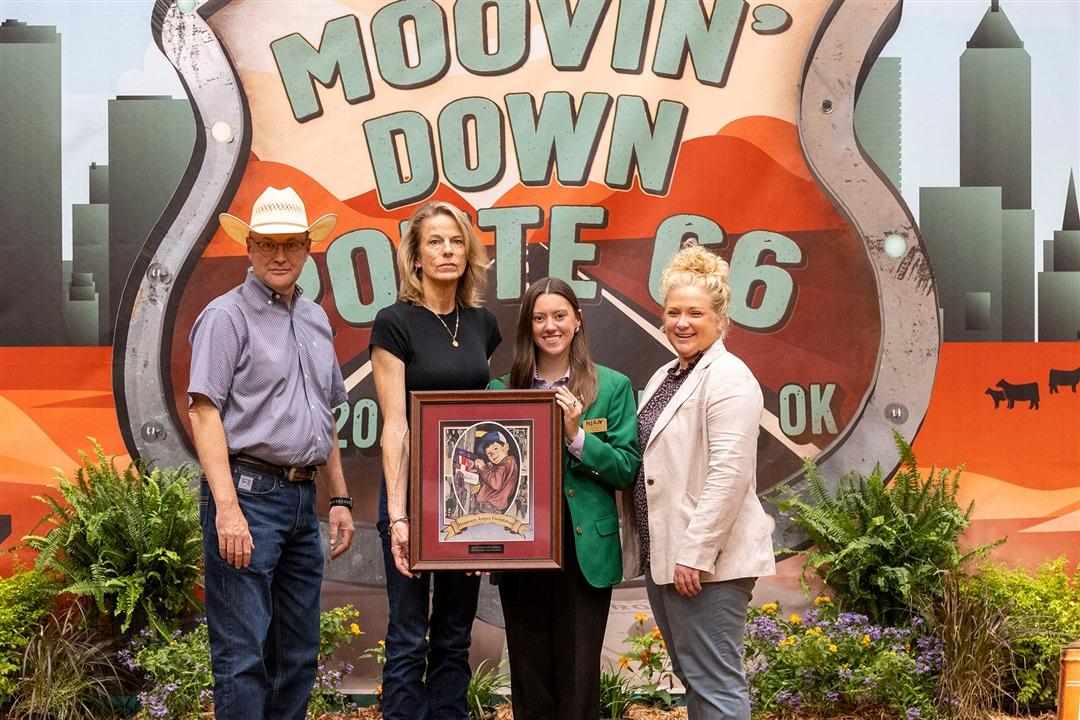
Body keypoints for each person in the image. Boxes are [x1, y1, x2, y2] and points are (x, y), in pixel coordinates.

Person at [187, 186, 356, 720]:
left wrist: (342, 498)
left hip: (305, 499)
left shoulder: (313, 319)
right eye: (266, 245)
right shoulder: (225, 316)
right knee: (242, 656)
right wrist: (228, 509)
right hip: (248, 496)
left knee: (298, 655)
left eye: (290, 244)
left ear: (308, 247)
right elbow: (203, 412)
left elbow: (323, 417)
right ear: (250, 249)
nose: (279, 255)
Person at [621, 244, 776, 720]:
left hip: (706, 565)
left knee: (714, 681)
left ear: (720, 319)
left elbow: (729, 474)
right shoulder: (666, 375)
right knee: (696, 678)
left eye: (695, 313)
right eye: (673, 312)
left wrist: (696, 552)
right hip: (666, 557)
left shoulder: (729, 377)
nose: (682, 322)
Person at [370, 201, 501, 720]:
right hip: (409, 496)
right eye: (434, 242)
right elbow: (396, 425)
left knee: (453, 631)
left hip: (466, 500)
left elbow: (482, 420)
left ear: (469, 252)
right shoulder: (394, 322)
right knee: (407, 634)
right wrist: (398, 517)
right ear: (415, 257)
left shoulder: (483, 324)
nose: (447, 250)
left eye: (455, 241)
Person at [490, 277, 641, 720]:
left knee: (578, 676)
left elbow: (625, 468)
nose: (550, 326)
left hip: (585, 548)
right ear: (527, 326)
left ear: (577, 321)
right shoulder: (502, 389)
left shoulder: (611, 387)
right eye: (539, 318)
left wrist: (576, 436)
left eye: (559, 316)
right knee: (529, 669)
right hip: (522, 547)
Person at [473, 430, 518, 513]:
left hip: (490, 509)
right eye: (488, 453)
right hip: (484, 507)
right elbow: (489, 481)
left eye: (496, 448)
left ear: (506, 447)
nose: (492, 454)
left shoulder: (508, 462)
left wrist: (483, 468)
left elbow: (496, 484)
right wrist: (484, 469)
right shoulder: (498, 465)